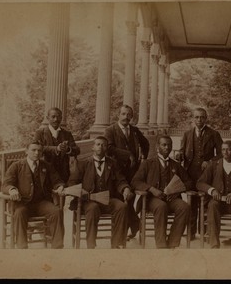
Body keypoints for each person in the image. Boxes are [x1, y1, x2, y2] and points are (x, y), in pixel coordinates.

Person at [67, 136, 134, 249]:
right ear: (93, 147)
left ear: (107, 148)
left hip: (108, 199)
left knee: (122, 207)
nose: (100, 147)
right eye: (97, 144)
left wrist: (125, 188)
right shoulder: (83, 164)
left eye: (103, 145)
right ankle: (91, 245)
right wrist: (80, 190)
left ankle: (116, 243)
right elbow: (71, 183)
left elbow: (120, 181)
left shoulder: (112, 163)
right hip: (88, 200)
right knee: (93, 209)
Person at [131, 135, 192, 249]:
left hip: (172, 199)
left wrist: (177, 190)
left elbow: (189, 182)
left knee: (185, 207)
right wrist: (151, 189)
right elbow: (135, 181)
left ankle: (173, 241)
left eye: (169, 145)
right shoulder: (148, 163)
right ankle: (161, 244)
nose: (167, 147)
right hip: (152, 199)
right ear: (157, 147)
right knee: (161, 206)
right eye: (164, 145)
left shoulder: (176, 165)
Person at [2, 140, 65, 249]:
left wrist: (60, 186)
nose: (37, 153)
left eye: (39, 150)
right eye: (33, 150)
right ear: (26, 151)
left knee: (56, 212)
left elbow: (57, 180)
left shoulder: (47, 166)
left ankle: (57, 246)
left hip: (42, 203)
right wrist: (12, 190)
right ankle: (22, 247)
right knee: (19, 213)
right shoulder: (16, 166)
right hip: (22, 203)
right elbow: (6, 184)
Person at [175, 107, 223, 240]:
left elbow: (221, 154)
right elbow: (181, 151)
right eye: (196, 117)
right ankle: (190, 233)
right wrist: (179, 154)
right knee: (191, 202)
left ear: (206, 119)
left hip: (207, 175)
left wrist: (210, 161)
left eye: (202, 117)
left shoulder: (214, 134)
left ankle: (205, 232)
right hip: (190, 174)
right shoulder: (187, 134)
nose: (199, 120)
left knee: (206, 203)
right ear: (193, 119)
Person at [196, 141, 231, 249]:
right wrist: (212, 190)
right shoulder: (213, 165)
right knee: (212, 205)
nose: (225, 152)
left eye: (228, 149)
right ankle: (214, 244)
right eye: (223, 149)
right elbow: (200, 183)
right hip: (218, 201)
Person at [104, 105, 150, 240]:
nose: (126, 117)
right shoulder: (110, 130)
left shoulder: (135, 130)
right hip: (115, 172)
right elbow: (109, 148)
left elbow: (145, 144)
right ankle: (130, 228)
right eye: (123, 114)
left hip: (132, 172)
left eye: (128, 115)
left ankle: (128, 229)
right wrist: (127, 154)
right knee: (120, 201)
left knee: (128, 200)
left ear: (132, 116)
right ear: (118, 115)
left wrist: (143, 159)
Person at [34, 107, 80, 183]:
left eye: (58, 117)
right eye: (53, 116)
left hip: (63, 173)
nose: (56, 119)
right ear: (47, 118)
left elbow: (77, 150)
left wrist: (68, 149)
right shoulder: (40, 133)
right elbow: (37, 148)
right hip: (45, 172)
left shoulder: (67, 133)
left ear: (61, 118)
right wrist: (56, 149)